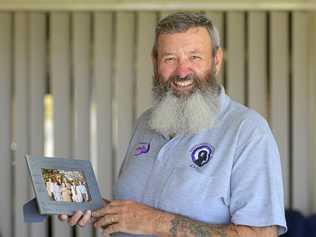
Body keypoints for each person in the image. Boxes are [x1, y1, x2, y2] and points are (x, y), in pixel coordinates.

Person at [59, 12, 287, 236]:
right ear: (155, 62)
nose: (182, 71)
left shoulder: (247, 131)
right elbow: (134, 216)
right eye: (170, 59)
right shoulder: (146, 124)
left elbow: (262, 234)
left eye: (194, 57)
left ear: (216, 61)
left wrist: (155, 222)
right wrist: (99, 208)